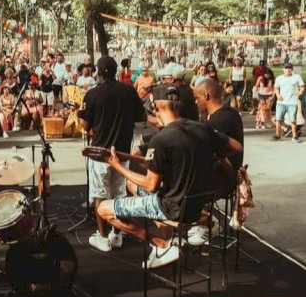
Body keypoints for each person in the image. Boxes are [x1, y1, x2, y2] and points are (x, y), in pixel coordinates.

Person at [97, 84, 242, 268]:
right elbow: (236, 147)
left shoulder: (160, 140)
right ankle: (184, 232)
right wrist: (208, 159)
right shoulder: (202, 128)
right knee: (134, 187)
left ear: (155, 107)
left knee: (103, 209)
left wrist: (118, 166)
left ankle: (162, 245)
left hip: (170, 207)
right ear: (179, 105)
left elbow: (151, 185)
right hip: (195, 204)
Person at [79, 56, 146, 252]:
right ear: (116, 71)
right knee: (120, 195)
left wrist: (80, 114)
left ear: (99, 73)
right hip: (122, 153)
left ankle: (102, 237)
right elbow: (140, 116)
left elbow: (85, 125)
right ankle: (117, 234)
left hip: (100, 152)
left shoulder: (92, 94)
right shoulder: (127, 91)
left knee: (100, 195)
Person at [192, 78, 244, 244]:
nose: (195, 101)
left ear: (206, 96)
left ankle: (206, 222)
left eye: (197, 97)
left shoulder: (217, 122)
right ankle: (201, 221)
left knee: (179, 183)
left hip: (222, 181)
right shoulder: (231, 113)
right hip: (229, 175)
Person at [272, 62, 304, 143]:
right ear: (283, 69)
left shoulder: (297, 77)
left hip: (292, 102)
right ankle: (277, 135)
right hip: (281, 102)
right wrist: (278, 95)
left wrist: (300, 92)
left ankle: (294, 136)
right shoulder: (279, 78)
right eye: (286, 68)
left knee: (293, 120)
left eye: (290, 68)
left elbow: (302, 86)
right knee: (278, 119)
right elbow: (276, 88)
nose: (288, 70)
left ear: (292, 69)